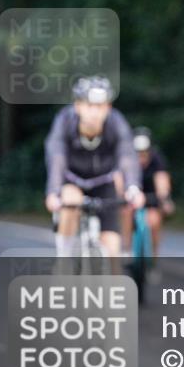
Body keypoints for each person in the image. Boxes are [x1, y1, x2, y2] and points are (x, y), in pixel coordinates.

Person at [45, 76, 145, 259]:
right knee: (70, 201)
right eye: (89, 105)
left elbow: (127, 155)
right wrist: (53, 192)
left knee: (113, 252)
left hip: (103, 182)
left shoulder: (116, 122)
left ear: (108, 108)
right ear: (78, 106)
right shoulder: (65, 121)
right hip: (72, 179)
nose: (94, 112)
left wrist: (133, 188)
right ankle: (64, 262)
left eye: (100, 106)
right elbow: (56, 155)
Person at [129, 127, 174, 260]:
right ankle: (126, 250)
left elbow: (162, 179)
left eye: (143, 154)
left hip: (151, 195)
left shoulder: (156, 159)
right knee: (124, 213)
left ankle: (153, 257)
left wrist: (165, 199)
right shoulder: (126, 159)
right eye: (137, 153)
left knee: (154, 221)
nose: (140, 158)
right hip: (131, 195)